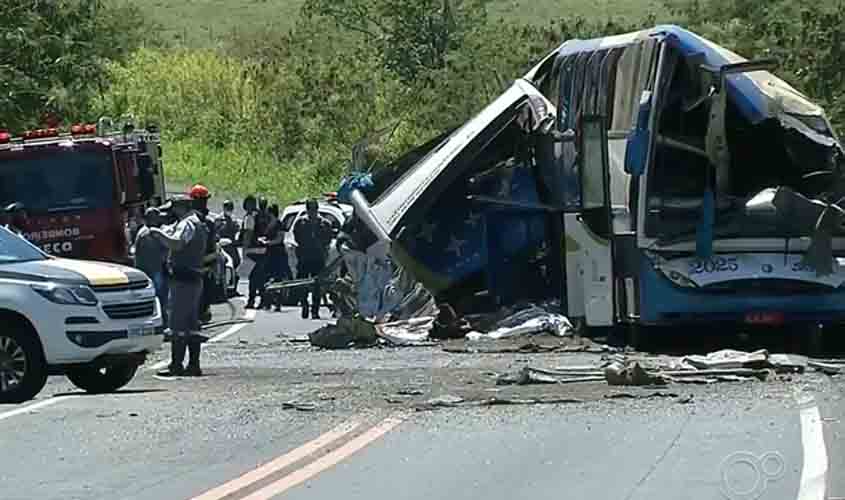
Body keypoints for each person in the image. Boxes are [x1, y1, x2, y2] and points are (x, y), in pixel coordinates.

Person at [151, 194, 208, 377]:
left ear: (180, 207)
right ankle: (193, 364)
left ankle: (176, 365)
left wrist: (159, 234)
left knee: (177, 324)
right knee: (191, 325)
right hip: (193, 279)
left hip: (183, 279)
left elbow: (177, 244)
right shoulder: (196, 222)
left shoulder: (187, 224)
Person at [292, 199, 334, 319]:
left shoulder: (325, 224)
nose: (312, 213)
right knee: (302, 283)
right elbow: (297, 238)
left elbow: (328, 240)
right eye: (310, 210)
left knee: (317, 285)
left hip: (318, 257)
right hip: (304, 257)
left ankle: (315, 310)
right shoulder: (301, 223)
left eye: (314, 210)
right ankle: (304, 305)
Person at [134, 207, 170, 328]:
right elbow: (163, 252)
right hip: (154, 271)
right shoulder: (150, 233)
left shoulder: (142, 232)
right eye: (156, 217)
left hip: (146, 271)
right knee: (159, 299)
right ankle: (162, 324)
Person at [189, 184, 218, 324]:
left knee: (206, 290)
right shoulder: (188, 221)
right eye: (201, 200)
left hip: (205, 264)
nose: (203, 203)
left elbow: (212, 246)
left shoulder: (209, 222)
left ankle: (202, 312)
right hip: (192, 265)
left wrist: (212, 264)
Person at [242, 195, 267, 309]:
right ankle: (263, 300)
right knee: (260, 276)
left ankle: (253, 300)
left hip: (253, 250)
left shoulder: (250, 217)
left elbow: (248, 233)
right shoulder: (262, 215)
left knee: (253, 277)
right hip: (263, 249)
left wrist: (245, 248)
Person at [263, 204, 290, 311]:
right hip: (270, 254)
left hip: (278, 254)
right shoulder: (269, 224)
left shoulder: (278, 224)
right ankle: (268, 302)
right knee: (268, 277)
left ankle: (278, 303)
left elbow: (280, 239)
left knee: (278, 279)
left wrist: (268, 242)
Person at [216, 199, 241, 271]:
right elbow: (215, 232)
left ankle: (234, 275)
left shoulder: (233, 218)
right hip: (223, 246)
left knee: (237, 261)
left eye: (230, 208)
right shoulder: (219, 219)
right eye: (227, 208)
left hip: (232, 245)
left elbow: (237, 229)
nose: (229, 210)